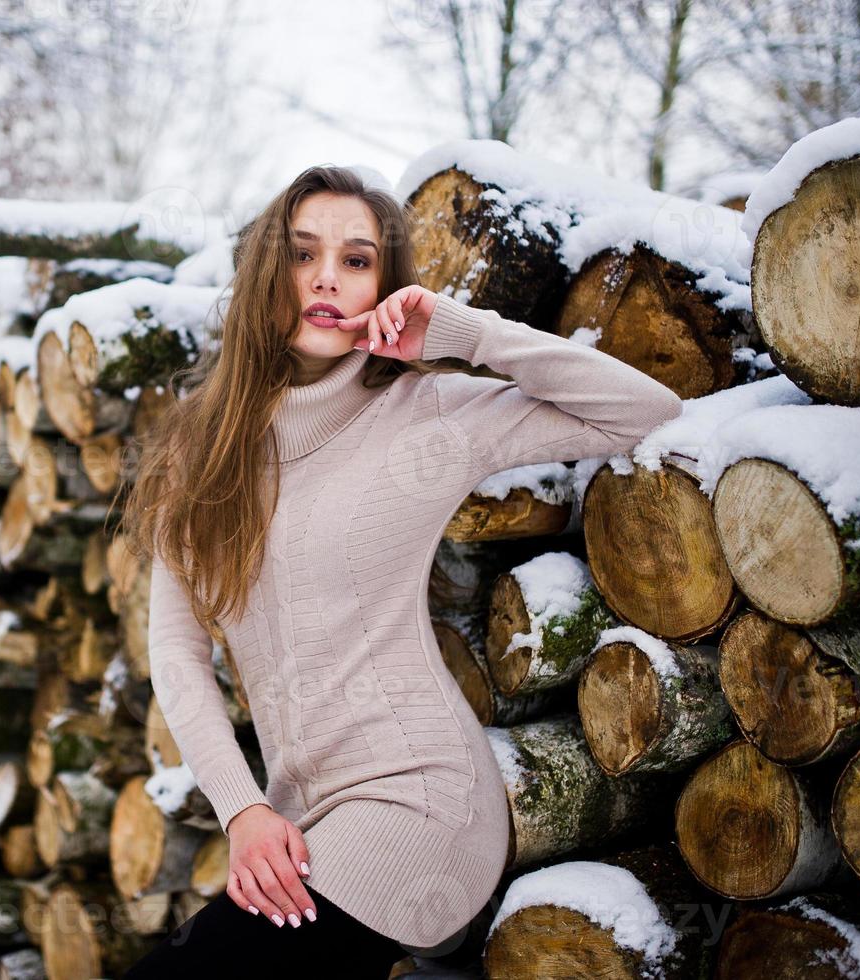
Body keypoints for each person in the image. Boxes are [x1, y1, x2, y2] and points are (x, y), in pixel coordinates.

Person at [118, 164, 684, 978]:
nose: (325, 278)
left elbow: (645, 411)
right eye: (301, 252)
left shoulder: (428, 414)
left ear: (384, 283)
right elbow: (175, 657)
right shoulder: (198, 456)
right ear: (262, 275)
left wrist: (470, 336)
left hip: (420, 801)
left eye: (357, 260)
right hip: (296, 816)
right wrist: (241, 808)